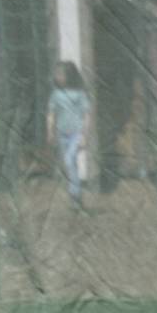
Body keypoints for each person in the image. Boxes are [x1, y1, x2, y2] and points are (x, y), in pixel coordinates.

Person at [45, 62, 91, 208]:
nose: (58, 77)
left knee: (69, 160)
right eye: (57, 74)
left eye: (61, 74)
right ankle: (76, 199)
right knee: (72, 165)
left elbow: (87, 115)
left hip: (76, 134)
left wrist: (85, 135)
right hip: (62, 134)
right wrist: (50, 132)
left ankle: (74, 193)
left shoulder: (80, 94)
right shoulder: (56, 94)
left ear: (69, 76)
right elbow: (51, 114)